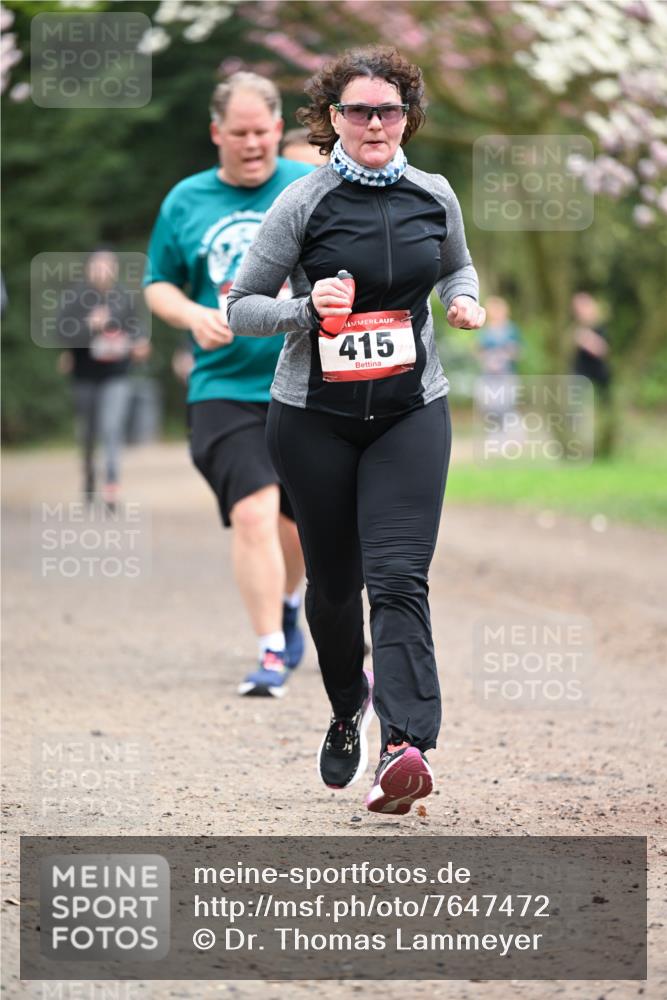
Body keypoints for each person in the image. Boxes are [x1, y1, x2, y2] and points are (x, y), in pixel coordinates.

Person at [228, 46, 485, 814]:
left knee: (400, 578)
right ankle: (348, 707)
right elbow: (241, 305)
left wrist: (462, 300)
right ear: (332, 119)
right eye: (357, 110)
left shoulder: (432, 194)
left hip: (410, 413)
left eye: (389, 110)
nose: (374, 123)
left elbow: (455, 268)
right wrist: (307, 311)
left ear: (407, 117)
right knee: (336, 588)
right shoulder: (303, 202)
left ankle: (406, 746)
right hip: (315, 422)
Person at [143, 73, 313, 697]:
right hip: (222, 390)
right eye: (237, 133)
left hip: (305, 387)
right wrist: (192, 315)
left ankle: (290, 603)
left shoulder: (307, 189)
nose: (251, 144)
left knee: (300, 528)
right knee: (254, 512)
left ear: (277, 130)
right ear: (217, 133)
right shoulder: (186, 200)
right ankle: (270, 650)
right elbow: (157, 280)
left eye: (262, 132)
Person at [57, 249, 149, 509]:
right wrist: (88, 325)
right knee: (88, 434)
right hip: (84, 375)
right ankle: (88, 478)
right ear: (89, 270)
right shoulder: (76, 297)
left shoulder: (123, 298)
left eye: (107, 267)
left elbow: (137, 329)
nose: (102, 272)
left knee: (111, 428)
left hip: (116, 374)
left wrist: (140, 343)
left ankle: (111, 486)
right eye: (97, 267)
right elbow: (61, 330)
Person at [570, 291, 614, 456]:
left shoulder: (600, 327)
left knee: (605, 404)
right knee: (576, 407)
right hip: (580, 373)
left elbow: (604, 349)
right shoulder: (575, 327)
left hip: (599, 372)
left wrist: (586, 339)